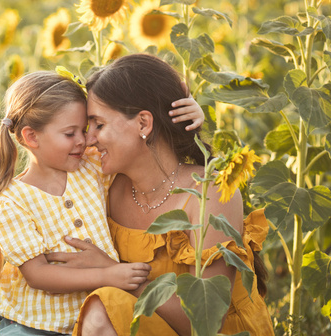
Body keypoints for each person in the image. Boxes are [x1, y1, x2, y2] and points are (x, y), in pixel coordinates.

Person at [46, 54, 274, 336]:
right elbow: (34, 186)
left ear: (143, 124)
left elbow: (203, 324)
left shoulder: (208, 194)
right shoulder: (108, 185)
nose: (88, 139)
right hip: (148, 327)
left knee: (106, 305)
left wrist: (113, 273)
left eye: (99, 125)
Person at [0, 68, 205, 336]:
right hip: (33, 325)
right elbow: (38, 275)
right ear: (31, 137)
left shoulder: (89, 167)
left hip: (93, 319)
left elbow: (128, 96)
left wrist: (186, 112)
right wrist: (108, 275)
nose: (84, 140)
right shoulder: (13, 200)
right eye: (70, 134)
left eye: (84, 130)